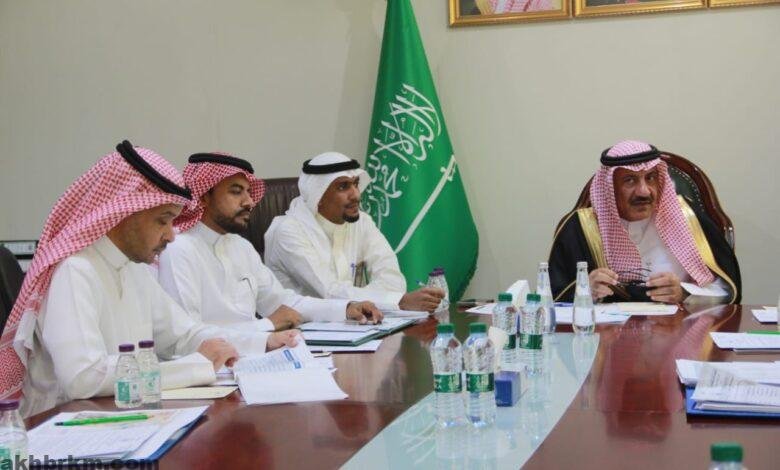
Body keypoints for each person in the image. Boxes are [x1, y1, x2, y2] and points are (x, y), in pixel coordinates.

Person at [0, 141, 297, 417]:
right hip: (61, 428)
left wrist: (257, 344)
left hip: (121, 415)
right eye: (162, 220)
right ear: (124, 212)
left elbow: (183, 334)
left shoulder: (134, 268)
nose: (171, 235)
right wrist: (195, 366)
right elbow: (83, 377)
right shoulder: (75, 270)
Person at [158, 152, 383, 331]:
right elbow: (188, 336)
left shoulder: (241, 247)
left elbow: (283, 302)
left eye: (248, 192)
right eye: (236, 192)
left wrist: (345, 308)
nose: (249, 202)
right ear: (205, 196)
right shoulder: (177, 248)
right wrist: (265, 326)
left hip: (254, 358)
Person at [548, 140, 740, 304]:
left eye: (650, 178)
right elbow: (551, 298)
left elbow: (728, 292)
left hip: (678, 332)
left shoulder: (689, 218)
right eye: (630, 180)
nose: (644, 191)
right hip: (606, 335)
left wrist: (686, 293)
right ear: (609, 187)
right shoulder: (581, 228)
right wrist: (585, 291)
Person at [264, 152, 444, 313]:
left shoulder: (361, 222)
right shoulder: (288, 231)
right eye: (343, 187)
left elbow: (391, 278)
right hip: (296, 332)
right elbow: (329, 292)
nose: (356, 195)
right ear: (318, 195)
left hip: (354, 325)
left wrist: (386, 300)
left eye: (356, 184)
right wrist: (398, 301)